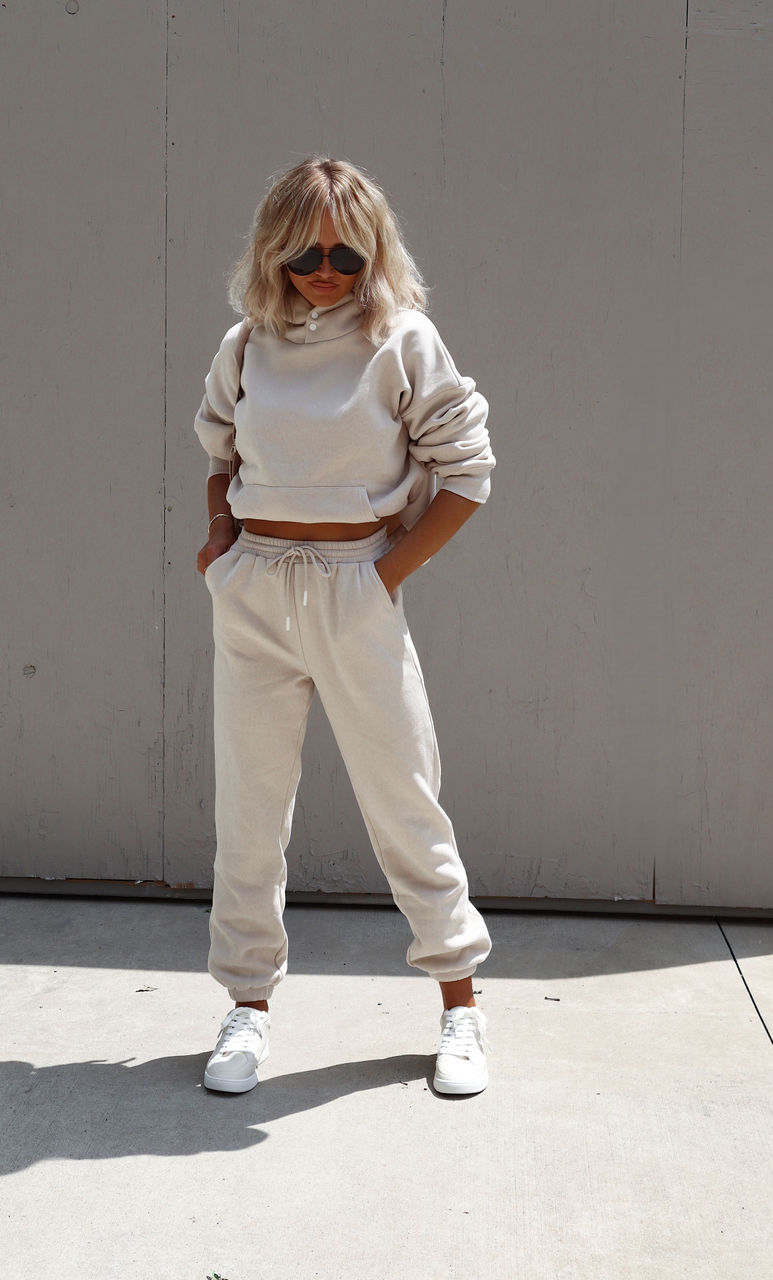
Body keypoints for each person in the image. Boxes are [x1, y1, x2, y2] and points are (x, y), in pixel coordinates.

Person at [194, 157, 494, 1097]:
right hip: (255, 594)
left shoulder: (401, 340)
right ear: (273, 254)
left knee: (405, 800)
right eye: (304, 255)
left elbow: (468, 473)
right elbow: (219, 451)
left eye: (346, 255)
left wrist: (382, 579)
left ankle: (461, 1008)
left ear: (374, 253)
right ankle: (247, 1005)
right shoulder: (248, 343)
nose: (324, 272)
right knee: (248, 812)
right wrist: (220, 543)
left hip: (352, 590)